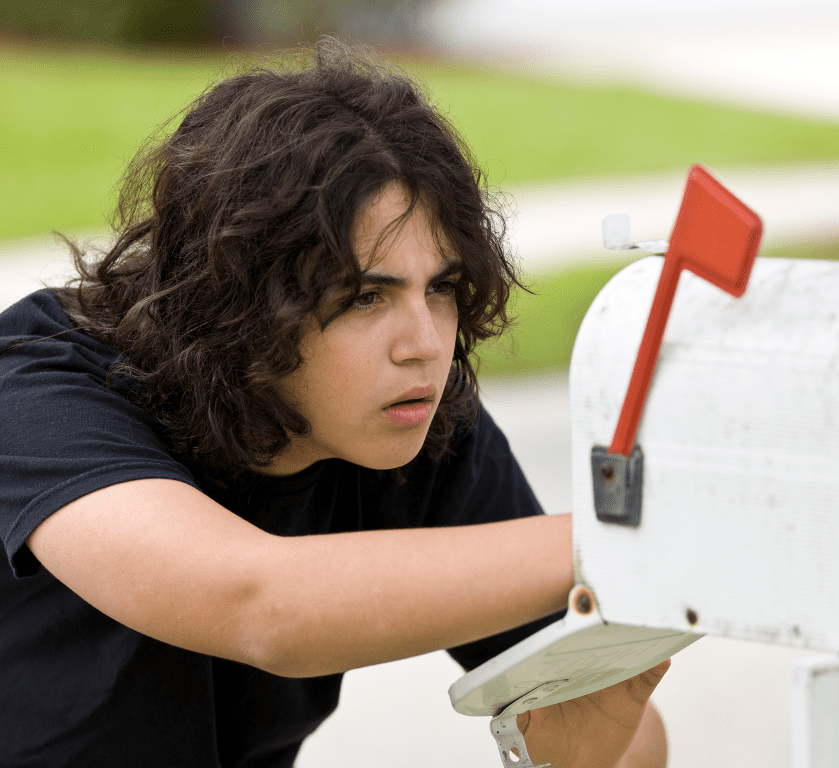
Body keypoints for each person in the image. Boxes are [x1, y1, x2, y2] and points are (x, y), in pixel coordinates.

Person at [0, 38, 669, 767]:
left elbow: (638, 740)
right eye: (365, 296)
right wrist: (630, 530)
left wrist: (586, 751)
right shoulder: (42, 381)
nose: (424, 344)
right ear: (239, 300)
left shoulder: (419, 419)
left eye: (440, 287)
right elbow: (260, 604)